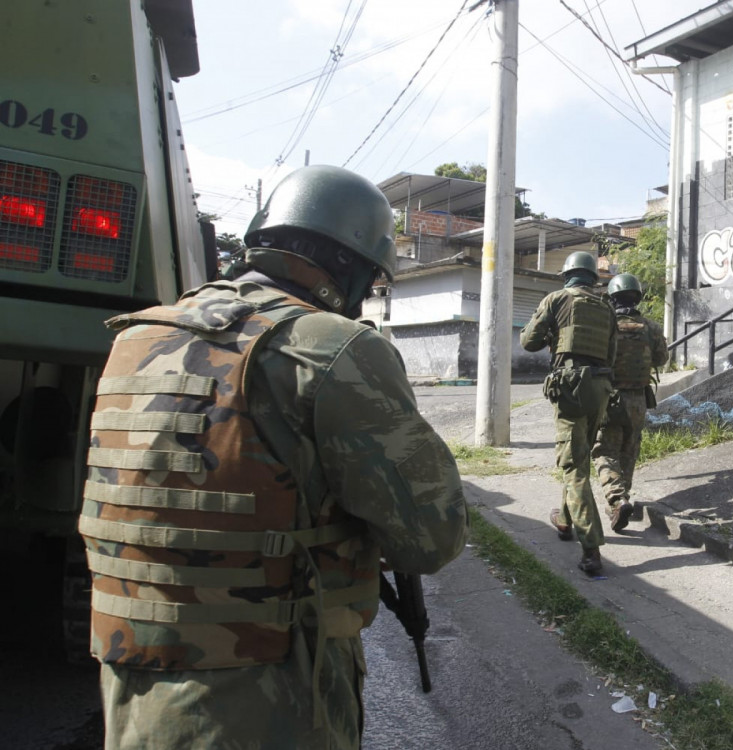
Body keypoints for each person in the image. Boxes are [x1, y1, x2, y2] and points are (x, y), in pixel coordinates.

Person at [78, 165, 467, 749]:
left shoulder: (136, 338)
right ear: (348, 263)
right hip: (268, 700)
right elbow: (433, 536)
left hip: (131, 683)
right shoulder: (333, 346)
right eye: (372, 280)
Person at [520, 251, 617, 575]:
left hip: (572, 388)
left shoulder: (557, 299)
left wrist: (550, 332)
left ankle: (591, 548)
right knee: (579, 456)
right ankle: (564, 519)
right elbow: (612, 354)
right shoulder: (606, 307)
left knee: (574, 466)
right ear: (593, 278)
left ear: (567, 275)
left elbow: (528, 342)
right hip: (600, 388)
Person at [592, 273, 669, 532]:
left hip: (609, 398)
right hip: (638, 399)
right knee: (629, 449)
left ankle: (617, 499)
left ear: (612, 298)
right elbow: (661, 359)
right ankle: (622, 499)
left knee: (604, 451)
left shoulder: (605, 325)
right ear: (637, 297)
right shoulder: (651, 327)